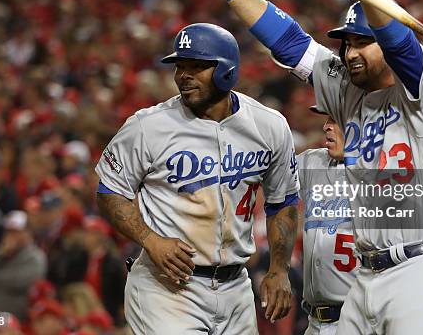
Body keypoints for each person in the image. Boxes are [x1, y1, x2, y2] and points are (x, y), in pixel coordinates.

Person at [166, 0, 423, 334]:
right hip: (367, 274)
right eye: (346, 44)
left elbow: (401, 44)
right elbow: (290, 42)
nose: (350, 53)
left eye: (363, 42)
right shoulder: (347, 91)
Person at [94, 22, 300, 334]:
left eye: (197, 66)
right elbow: (110, 190)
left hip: (236, 287)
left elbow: (282, 201)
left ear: (227, 71)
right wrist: (150, 240)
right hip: (167, 288)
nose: (184, 75)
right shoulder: (148, 126)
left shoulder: (268, 125)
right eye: (180, 66)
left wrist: (279, 268)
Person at [298, 106, 358, 335]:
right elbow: (267, 171)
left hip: (358, 320)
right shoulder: (313, 162)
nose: (326, 126)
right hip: (314, 321)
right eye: (326, 119)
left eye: (335, 119)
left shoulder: (384, 173)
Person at [0, 210, 47, 321]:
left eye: (16, 232)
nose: (10, 236)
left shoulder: (35, 257)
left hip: (16, 320)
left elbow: (18, 281)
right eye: (8, 232)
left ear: (28, 232)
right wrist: (0, 256)